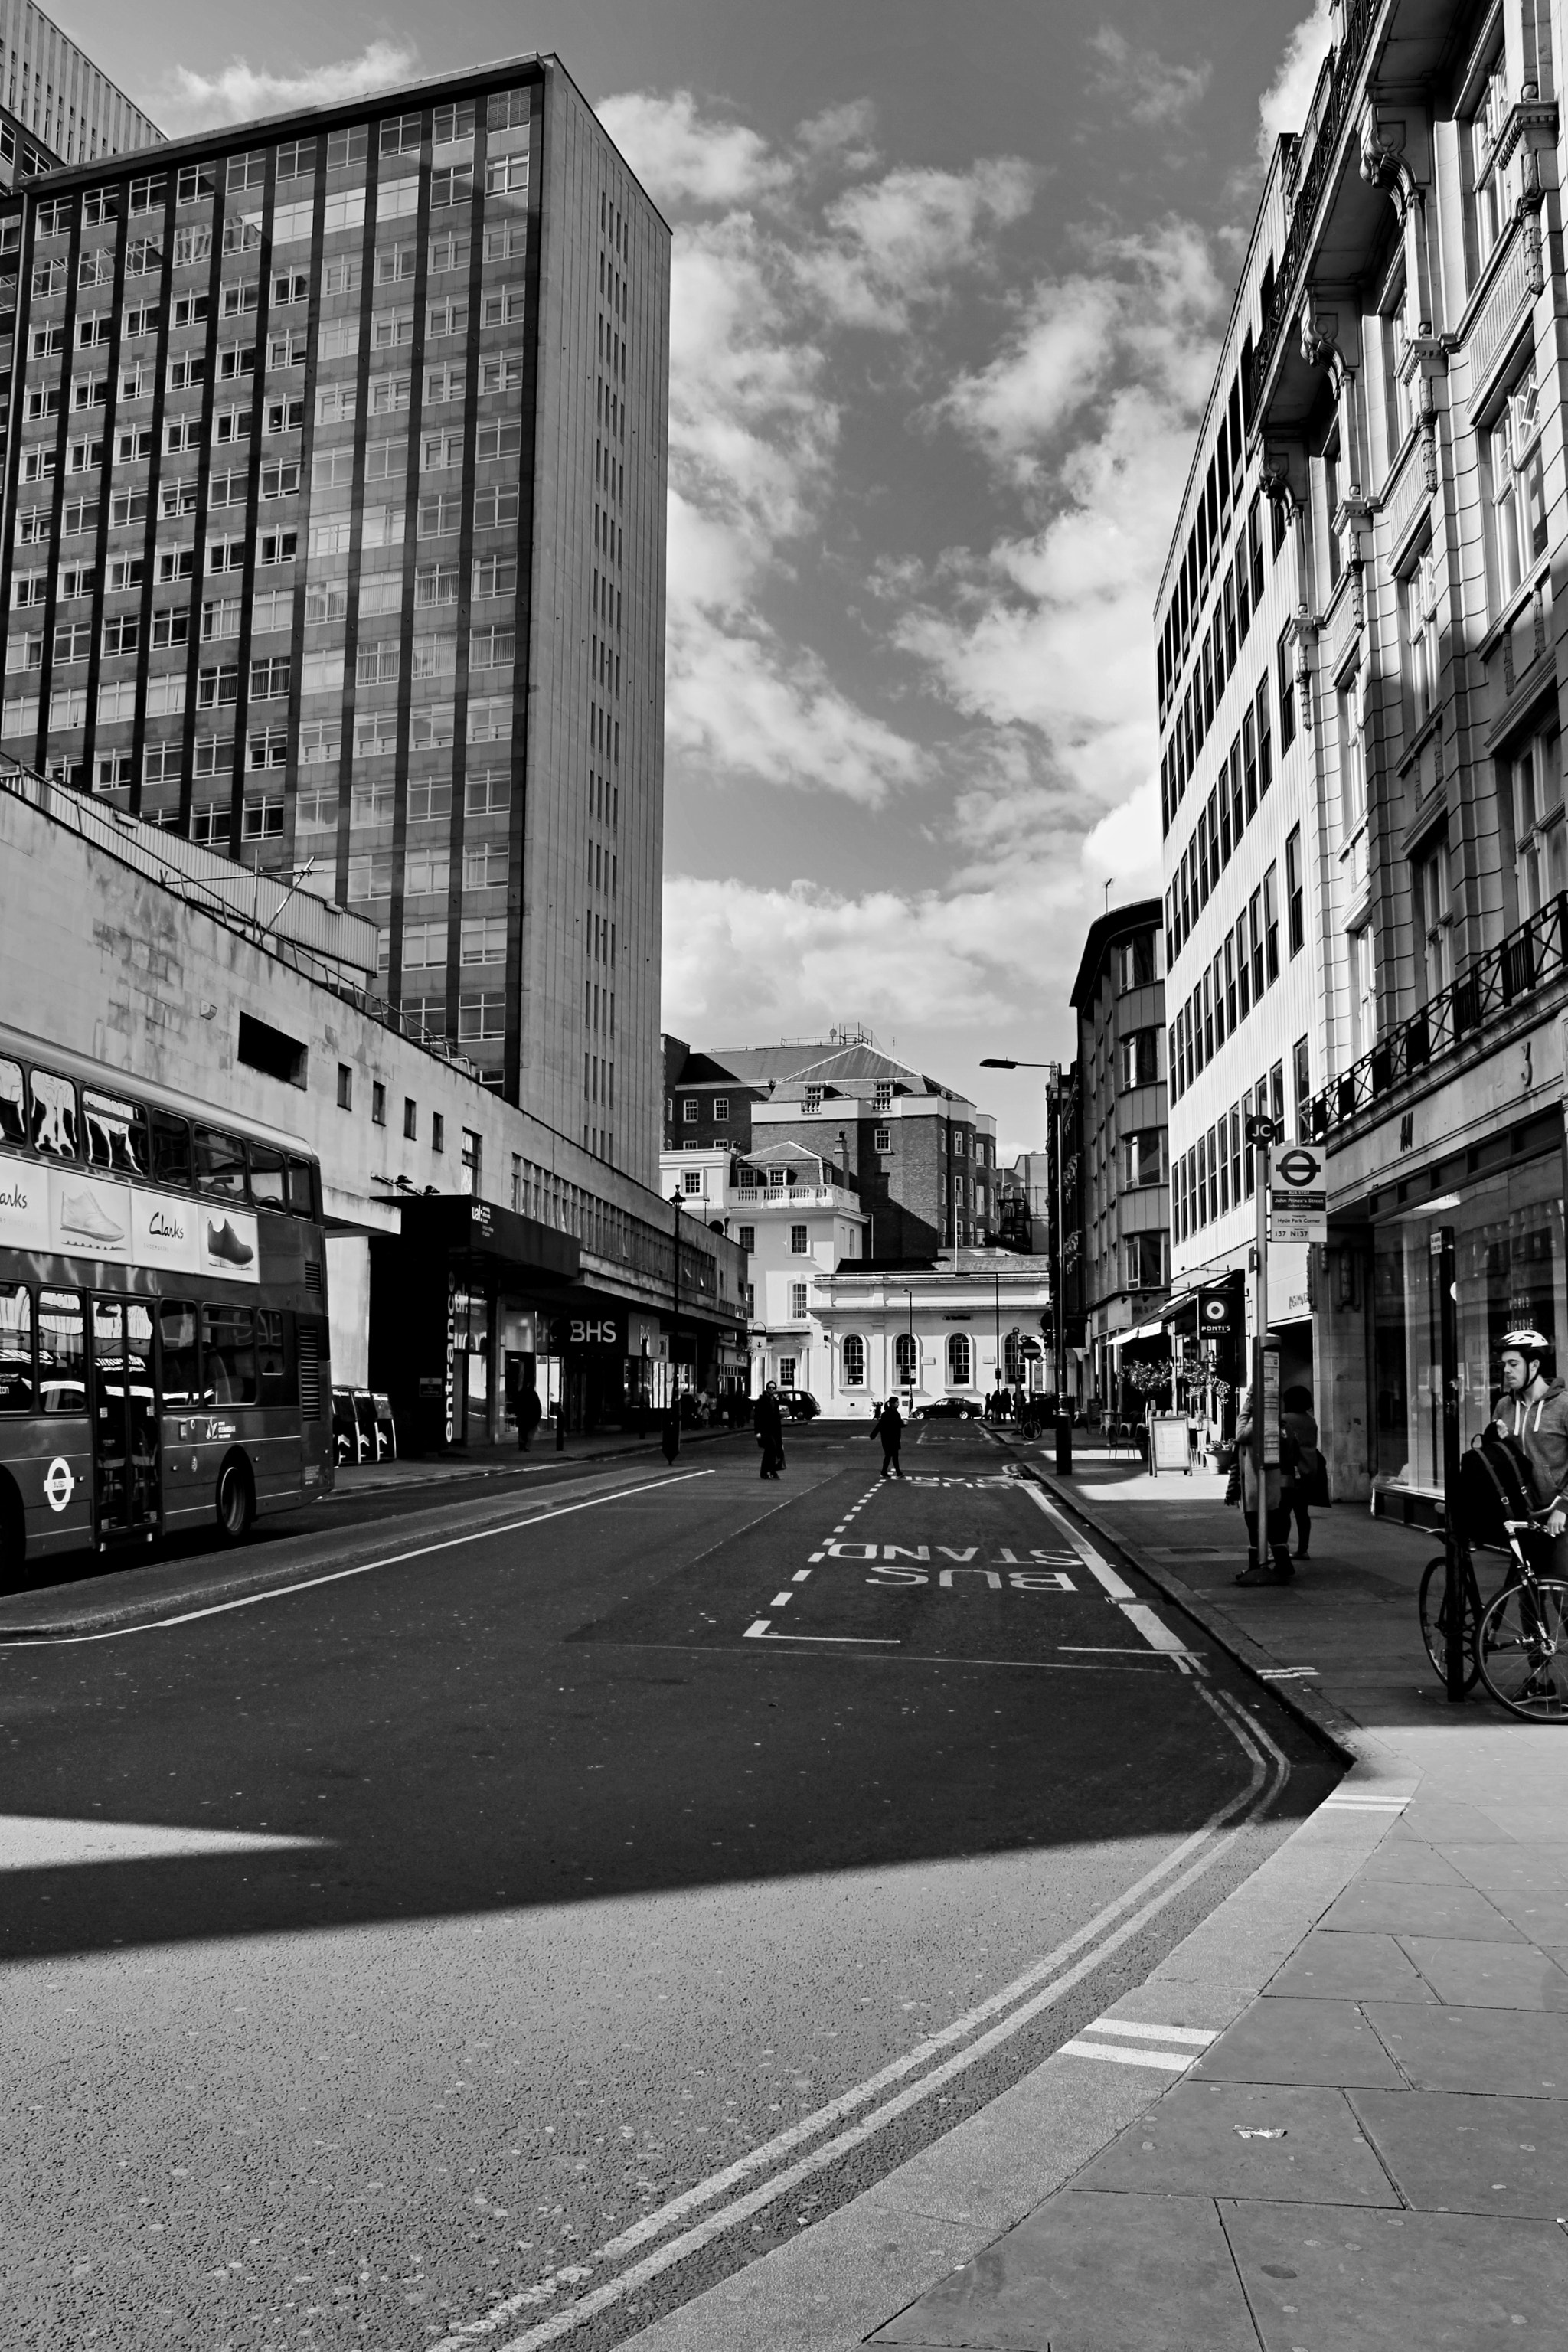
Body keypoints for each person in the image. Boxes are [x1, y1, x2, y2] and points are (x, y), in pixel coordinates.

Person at [1490, 1328, 1568, 1572]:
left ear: (1534, 1365)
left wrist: (1565, 1506)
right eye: (1504, 1365)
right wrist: (1493, 1438)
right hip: (1524, 1515)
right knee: (1528, 1594)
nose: (1506, 1371)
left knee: (1561, 1594)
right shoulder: (1505, 1405)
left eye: (1513, 1364)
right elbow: (1496, 1458)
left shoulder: (1563, 1406)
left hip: (1559, 1514)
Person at [1230, 1383, 1302, 1585]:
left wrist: (1247, 1408)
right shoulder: (1277, 1421)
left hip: (1258, 1484)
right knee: (1273, 1525)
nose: (1248, 1399)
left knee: (1255, 1524)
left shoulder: (1259, 1421)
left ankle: (1259, 1566)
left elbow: (1240, 1434)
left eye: (1250, 1396)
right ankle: (1281, 1563)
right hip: (1269, 1484)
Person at [1281, 1384, 1320, 1560]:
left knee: (1284, 1512)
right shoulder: (1310, 1420)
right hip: (1309, 1470)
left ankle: (1282, 1547)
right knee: (1302, 1512)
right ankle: (1303, 1549)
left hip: (1290, 1470)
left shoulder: (1285, 1419)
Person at [754, 1380, 785, 1480]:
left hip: (775, 1431)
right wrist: (757, 1431)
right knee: (770, 1450)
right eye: (769, 1388)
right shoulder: (761, 1401)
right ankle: (767, 1472)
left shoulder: (775, 1402)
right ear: (767, 1389)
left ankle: (770, 1472)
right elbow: (757, 1417)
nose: (771, 1389)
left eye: (773, 1388)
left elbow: (777, 1418)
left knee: (772, 1451)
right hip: (765, 1431)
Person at [877, 1393, 905, 1478]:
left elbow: (881, 1426)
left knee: (889, 1456)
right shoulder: (892, 1413)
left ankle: (885, 1472)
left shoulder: (889, 1413)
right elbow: (896, 1425)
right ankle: (897, 1473)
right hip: (891, 1439)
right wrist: (904, 1424)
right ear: (893, 1404)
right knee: (892, 1455)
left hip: (889, 1438)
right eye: (897, 1402)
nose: (898, 1404)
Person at [517, 1379, 543, 1453]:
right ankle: (526, 1446)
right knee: (530, 1433)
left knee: (522, 1431)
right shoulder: (533, 1394)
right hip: (531, 1418)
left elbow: (518, 1405)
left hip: (523, 1417)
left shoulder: (521, 1393)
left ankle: (522, 1445)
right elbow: (538, 1407)